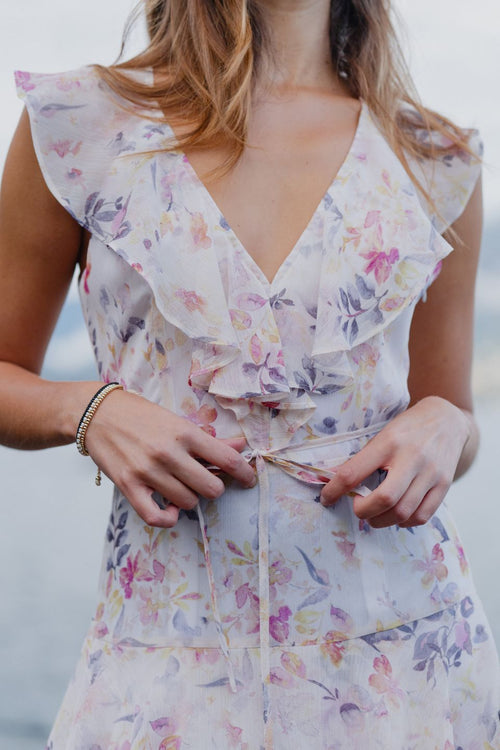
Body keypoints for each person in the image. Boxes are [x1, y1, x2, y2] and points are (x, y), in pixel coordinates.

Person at [1, 0, 498, 746]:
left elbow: (452, 418)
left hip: (405, 666)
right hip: (165, 652)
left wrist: (448, 424)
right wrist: (92, 409)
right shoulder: (81, 124)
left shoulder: (434, 157)